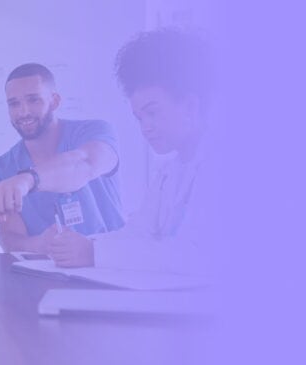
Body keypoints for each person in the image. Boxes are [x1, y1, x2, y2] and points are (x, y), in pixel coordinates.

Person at [83, 28, 212, 271]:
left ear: (191, 106)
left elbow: (197, 255)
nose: (145, 128)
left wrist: (93, 253)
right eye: (139, 118)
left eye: (152, 113)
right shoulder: (169, 171)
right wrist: (86, 244)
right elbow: (138, 233)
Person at [0, 63, 123, 267]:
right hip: (47, 275)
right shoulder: (1, 168)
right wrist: (39, 245)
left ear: (54, 101)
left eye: (33, 100)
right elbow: (10, 238)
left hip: (112, 268)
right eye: (14, 104)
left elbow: (85, 162)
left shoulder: (95, 131)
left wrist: (28, 179)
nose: (23, 112)